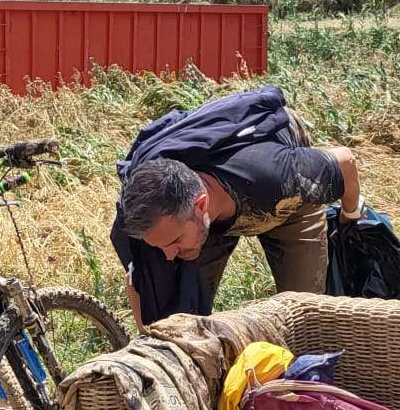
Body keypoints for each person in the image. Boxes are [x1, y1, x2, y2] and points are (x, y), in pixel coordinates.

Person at [110, 85, 361, 327]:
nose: (168, 255)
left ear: (200, 206)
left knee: (304, 313)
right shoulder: (151, 215)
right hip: (210, 215)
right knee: (181, 319)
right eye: (161, 246)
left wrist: (350, 218)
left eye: (174, 242)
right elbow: (140, 282)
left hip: (282, 203)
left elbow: (345, 161)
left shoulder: (278, 175)